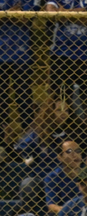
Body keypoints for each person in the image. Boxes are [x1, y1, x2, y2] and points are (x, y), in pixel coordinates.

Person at [45, 0, 87, 127]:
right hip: (61, 54)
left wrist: (64, 14)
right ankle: (60, 133)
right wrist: (80, 14)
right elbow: (51, 13)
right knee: (60, 99)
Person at [0, 0, 35, 141]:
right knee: (1, 100)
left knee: (24, 99)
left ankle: (27, 142)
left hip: (22, 55)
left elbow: (24, 17)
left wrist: (4, 15)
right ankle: (3, 142)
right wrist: (13, 13)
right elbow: (18, 15)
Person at [44, 140, 83, 215]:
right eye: (69, 151)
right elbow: (51, 206)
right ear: (60, 157)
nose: (75, 155)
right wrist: (68, 212)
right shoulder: (52, 177)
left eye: (78, 151)